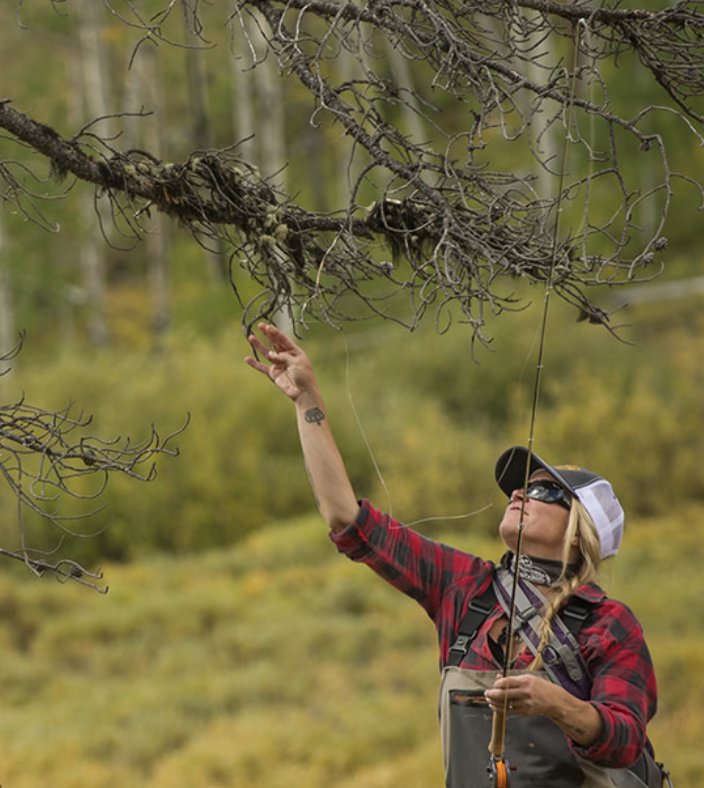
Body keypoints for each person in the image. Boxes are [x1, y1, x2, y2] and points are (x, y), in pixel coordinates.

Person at [245, 322, 666, 788]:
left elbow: (625, 738)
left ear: (578, 534)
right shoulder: (466, 588)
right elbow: (347, 518)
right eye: (519, 487)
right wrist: (308, 401)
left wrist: (555, 703)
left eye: (545, 491)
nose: (520, 493)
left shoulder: (608, 622)